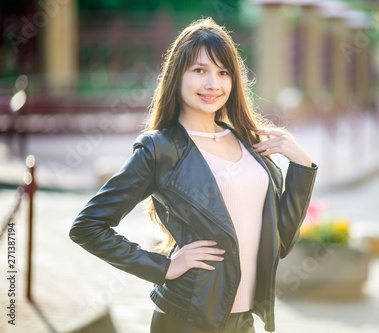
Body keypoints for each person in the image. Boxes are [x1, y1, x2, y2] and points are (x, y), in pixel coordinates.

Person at [69, 17, 317, 333]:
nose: (213, 83)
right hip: (187, 319)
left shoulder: (249, 144)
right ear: (178, 75)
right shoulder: (161, 149)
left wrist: (302, 166)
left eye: (223, 72)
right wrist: (165, 266)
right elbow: (88, 226)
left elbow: (279, 241)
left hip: (243, 322)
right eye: (200, 70)